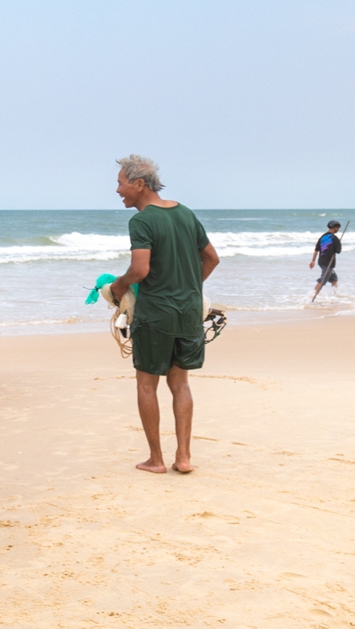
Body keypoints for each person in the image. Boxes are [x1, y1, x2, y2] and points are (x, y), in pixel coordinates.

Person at [110, 154, 219, 475]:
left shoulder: (142, 221)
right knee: (180, 383)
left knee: (147, 384)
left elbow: (140, 269)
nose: (117, 190)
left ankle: (156, 459)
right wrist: (186, 287)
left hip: (156, 314)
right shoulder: (185, 213)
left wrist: (118, 286)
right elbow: (211, 259)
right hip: (187, 313)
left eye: (121, 183)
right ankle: (183, 458)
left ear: (139, 184)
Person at [310, 220, 343, 289]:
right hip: (328, 263)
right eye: (338, 228)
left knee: (334, 278)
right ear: (335, 228)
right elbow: (338, 251)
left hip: (321, 262)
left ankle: (336, 295)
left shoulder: (322, 237)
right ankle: (313, 294)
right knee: (322, 280)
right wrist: (338, 244)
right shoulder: (335, 239)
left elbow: (316, 250)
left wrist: (313, 261)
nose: (338, 229)